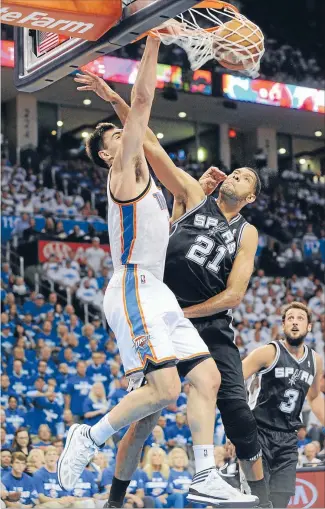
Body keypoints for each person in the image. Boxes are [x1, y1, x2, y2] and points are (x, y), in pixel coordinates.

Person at [58, 32, 256, 507]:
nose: (123, 135)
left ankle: (205, 473)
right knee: (164, 392)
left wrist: (110, 96)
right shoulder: (122, 171)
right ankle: (89, 436)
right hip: (132, 286)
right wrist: (152, 40)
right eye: (114, 135)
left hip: (159, 294)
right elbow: (143, 104)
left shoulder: (150, 182)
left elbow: (142, 131)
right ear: (109, 153)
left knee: (206, 378)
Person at [243, 302, 325, 508]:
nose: (295, 322)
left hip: (288, 439)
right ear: (283, 325)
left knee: (280, 502)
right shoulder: (269, 352)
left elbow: (314, 398)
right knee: (258, 501)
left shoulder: (315, 360)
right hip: (258, 432)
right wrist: (236, 425)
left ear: (309, 327)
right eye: (290, 318)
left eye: (300, 318)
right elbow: (234, 379)